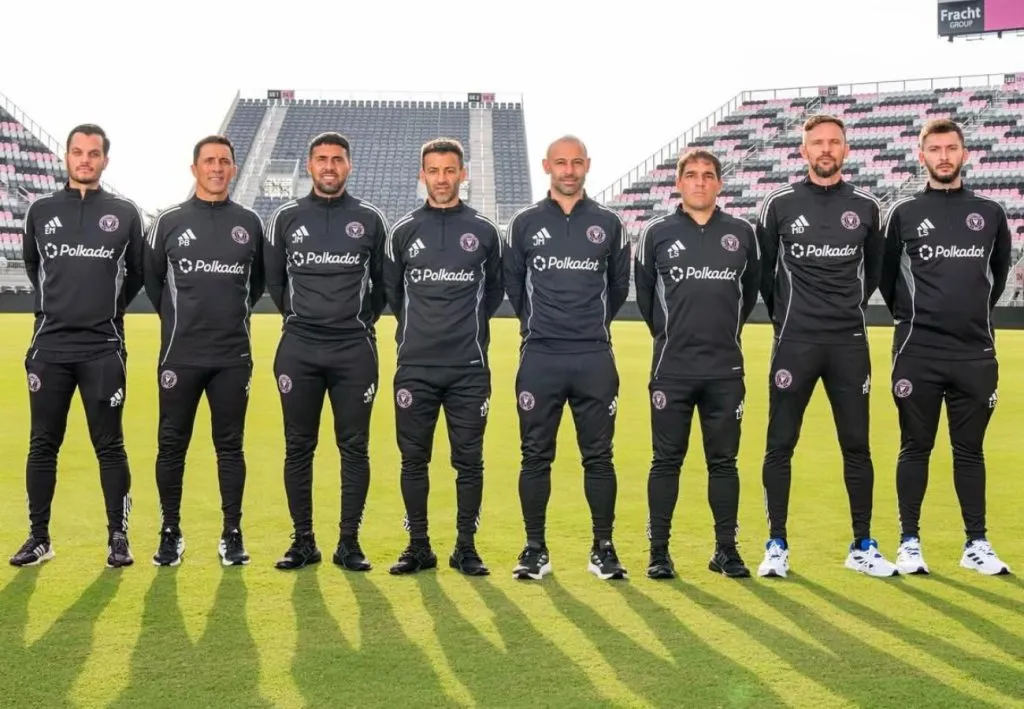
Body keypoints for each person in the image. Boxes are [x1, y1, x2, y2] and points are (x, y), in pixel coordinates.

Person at [756, 114, 896, 578]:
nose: (826, 149)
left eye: (834, 142)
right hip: (794, 340)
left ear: (846, 149)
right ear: (803, 151)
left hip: (849, 343)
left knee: (857, 445)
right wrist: (789, 319)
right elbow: (765, 276)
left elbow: (874, 273)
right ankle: (776, 543)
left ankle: (862, 544)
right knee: (780, 444)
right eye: (817, 142)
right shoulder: (778, 204)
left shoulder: (868, 206)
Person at [879, 118, 1012, 576]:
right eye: (934, 149)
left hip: (975, 354)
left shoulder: (990, 213)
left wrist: (970, 315)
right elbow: (887, 279)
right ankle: (909, 541)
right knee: (915, 447)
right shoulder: (903, 213)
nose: (943, 156)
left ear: (964, 154)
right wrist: (921, 318)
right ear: (921, 156)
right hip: (918, 352)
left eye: (950, 148)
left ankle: (976, 542)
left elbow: (996, 276)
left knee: (970, 451)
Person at [10, 123, 145, 569]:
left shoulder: (125, 213)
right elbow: (34, 267)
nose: (85, 160)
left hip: (103, 348)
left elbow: (138, 275)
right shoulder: (40, 211)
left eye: (93, 153)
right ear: (66, 158)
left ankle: (118, 537)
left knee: (110, 445)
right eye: (77, 152)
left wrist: (107, 310)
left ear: (105, 160)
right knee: (42, 445)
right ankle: (38, 537)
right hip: (49, 347)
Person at [503, 135, 631, 581]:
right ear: (547, 166)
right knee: (535, 455)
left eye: (577, 162)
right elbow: (514, 288)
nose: (569, 170)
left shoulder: (610, 224)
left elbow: (617, 289)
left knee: (599, 456)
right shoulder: (524, 224)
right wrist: (543, 328)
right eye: (561, 162)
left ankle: (604, 548)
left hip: (594, 355)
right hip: (540, 355)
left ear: (588, 166)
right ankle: (535, 548)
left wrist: (586, 327)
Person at [263, 132, 388, 571]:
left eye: (337, 159)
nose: (329, 166)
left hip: (354, 350)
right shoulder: (285, 218)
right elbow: (275, 283)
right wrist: (305, 319)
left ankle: (349, 543)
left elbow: (383, 288)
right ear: (310, 165)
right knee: (298, 447)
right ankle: (303, 541)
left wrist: (354, 321)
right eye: (321, 159)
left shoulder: (370, 219)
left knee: (355, 448)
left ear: (348, 166)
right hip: (299, 348)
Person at [634, 149, 760, 580]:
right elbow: (648, 300)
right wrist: (674, 337)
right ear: (678, 183)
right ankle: (658, 552)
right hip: (672, 369)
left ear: (720, 184)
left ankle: (726, 550)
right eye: (691, 175)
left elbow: (750, 295)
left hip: (725, 370)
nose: (700, 182)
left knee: (723, 462)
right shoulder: (657, 233)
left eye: (708, 175)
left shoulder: (742, 233)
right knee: (665, 461)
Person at [382, 138, 504, 576]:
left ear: (462, 174)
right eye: (433, 171)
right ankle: (418, 546)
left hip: (469, 368)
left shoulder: (485, 232)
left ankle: (465, 548)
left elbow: (493, 293)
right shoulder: (403, 231)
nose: (441, 178)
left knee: (468, 460)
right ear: (422, 176)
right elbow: (393, 294)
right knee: (414, 460)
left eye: (450, 170)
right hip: (415, 367)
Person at [143, 135, 265, 567]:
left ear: (233, 169)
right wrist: (182, 320)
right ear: (194, 168)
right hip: (180, 355)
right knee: (171, 446)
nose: (217, 168)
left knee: (230, 447)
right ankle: (170, 532)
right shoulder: (168, 222)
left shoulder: (249, 223)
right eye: (209, 161)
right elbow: (154, 281)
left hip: (232, 356)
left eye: (224, 162)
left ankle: (232, 533)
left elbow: (258, 285)